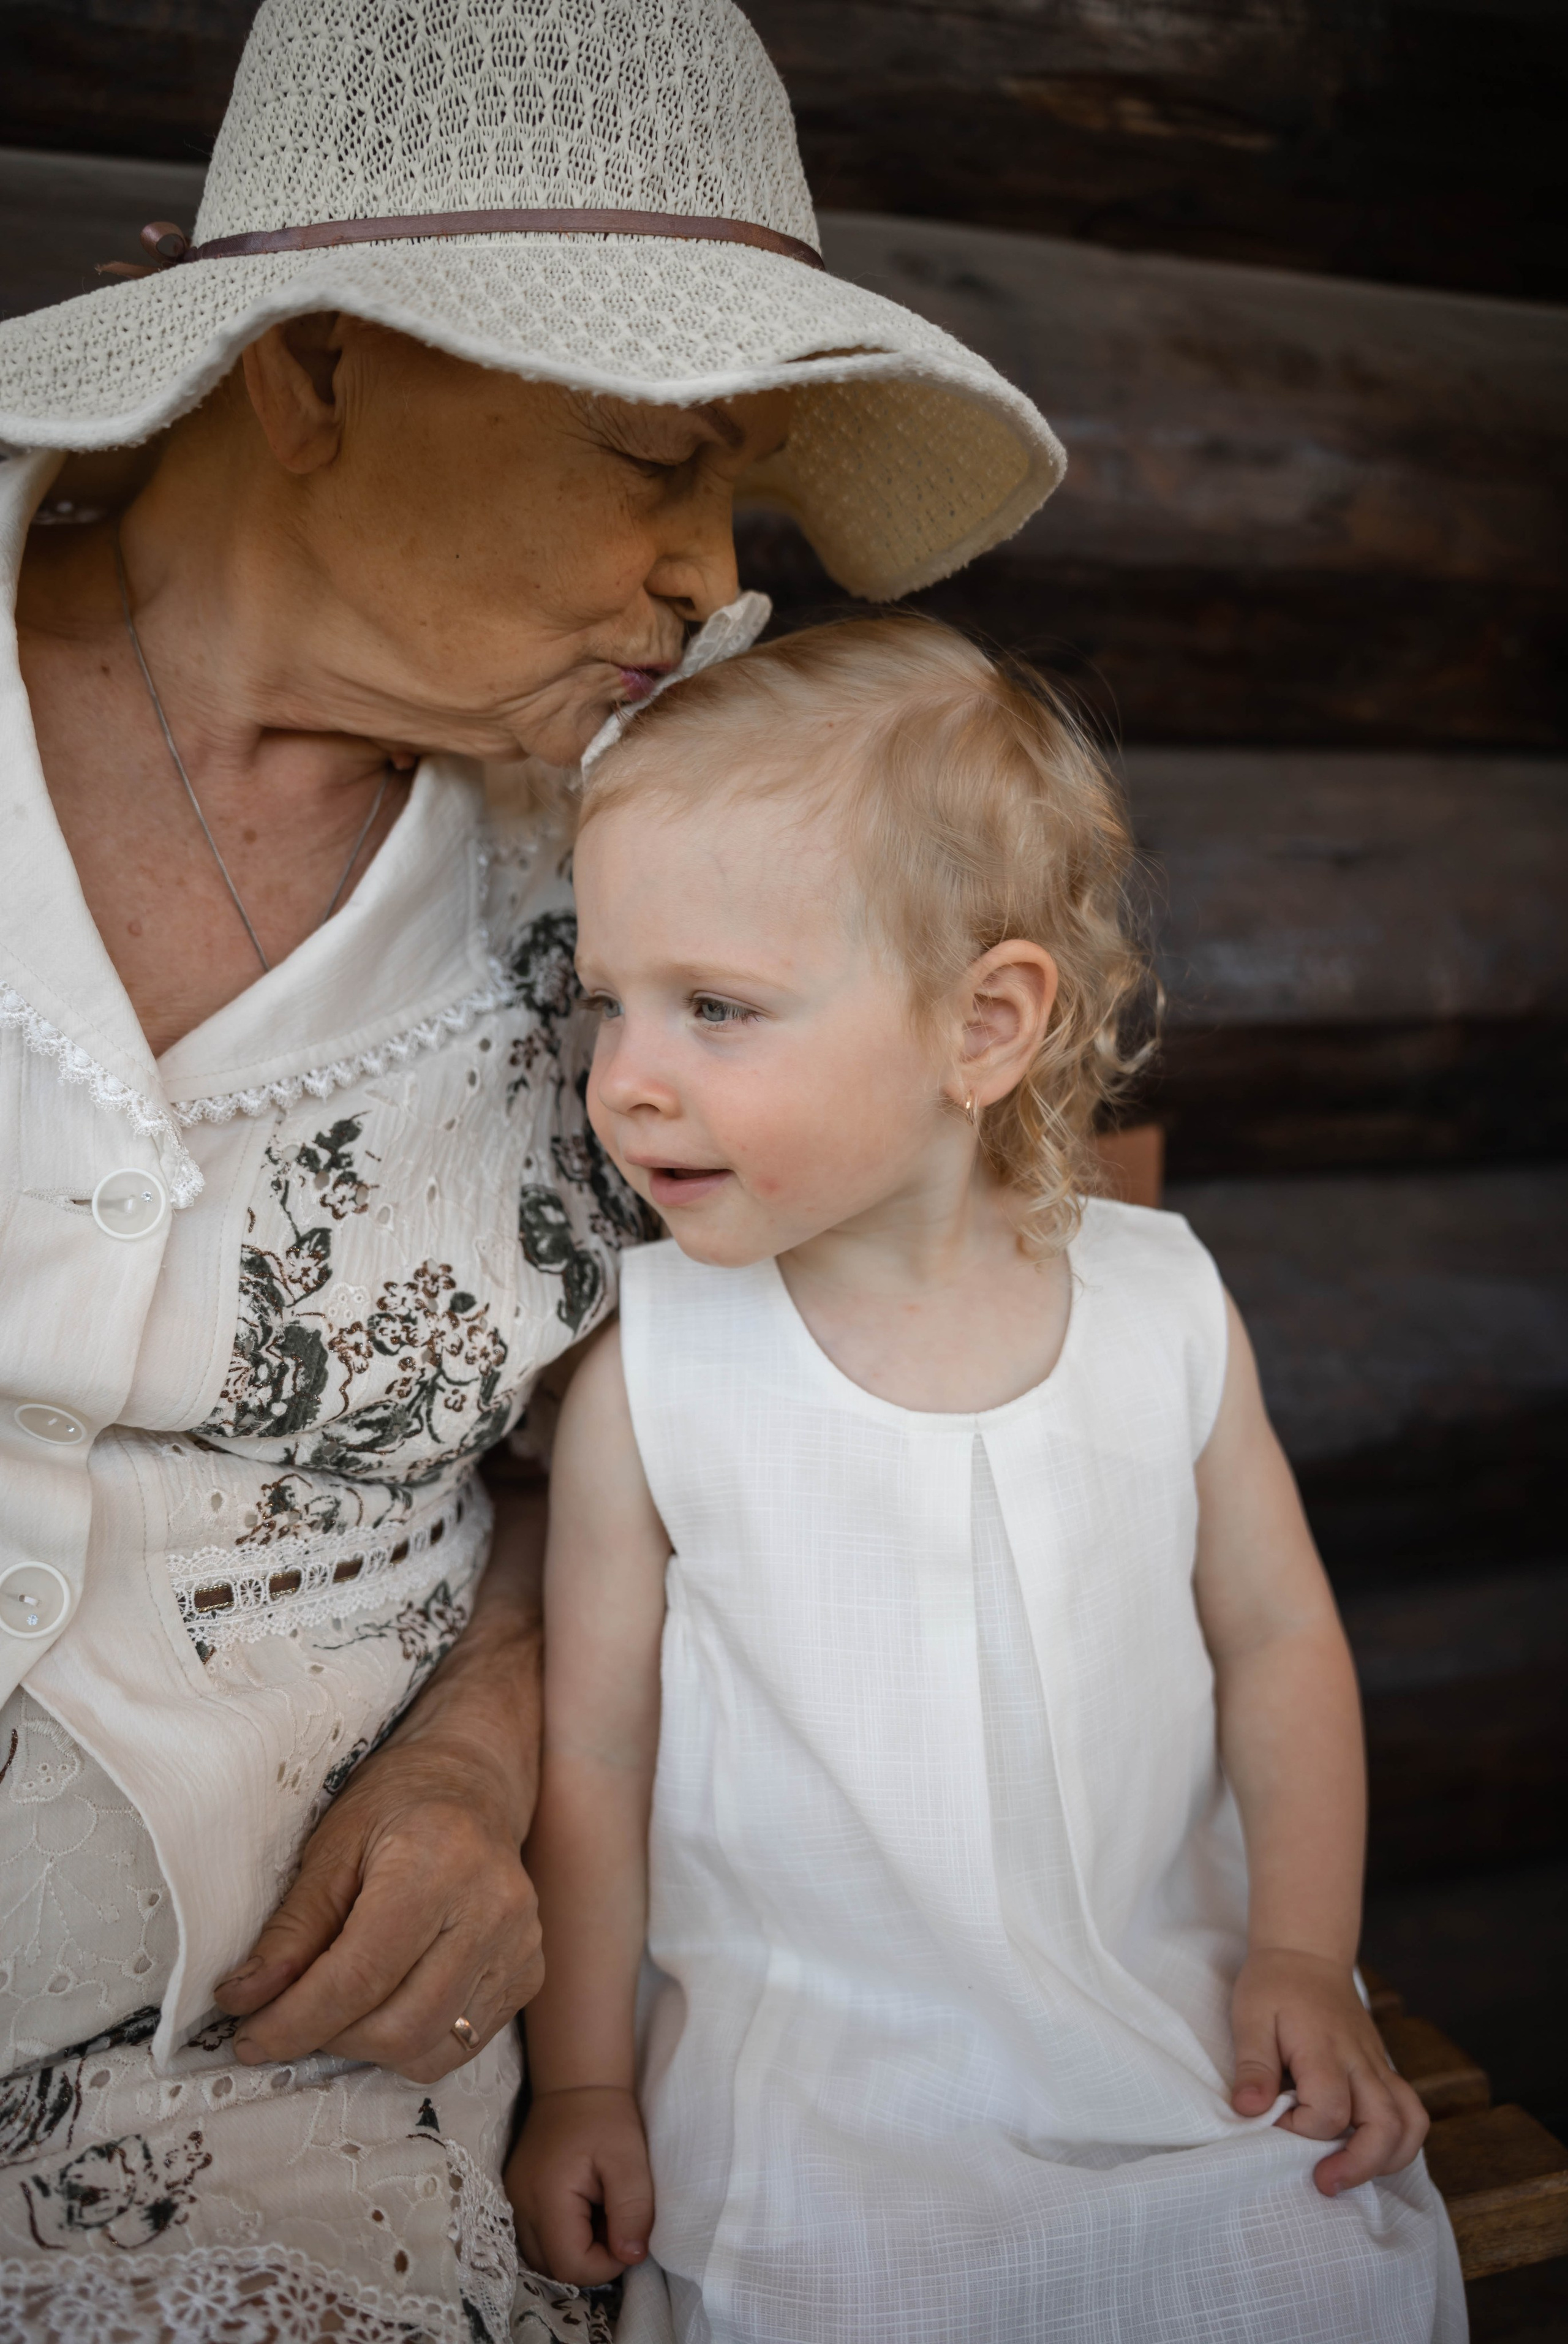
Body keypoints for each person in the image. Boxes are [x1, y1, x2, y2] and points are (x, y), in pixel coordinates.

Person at [0, 1, 1065, 2334]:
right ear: (314, 371)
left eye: (739, 489)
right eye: (653, 454)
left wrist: (491, 1761)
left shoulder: (665, 878)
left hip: (279, 2054)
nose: (709, 570)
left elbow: (697, 1415)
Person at [504, 617, 1467, 2343]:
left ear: (985, 1022)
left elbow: (1276, 1638)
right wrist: (582, 2079)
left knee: (1303, 2257)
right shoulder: (661, 1363)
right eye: (610, 1003)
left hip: (1147, 2008)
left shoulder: (1161, 1302)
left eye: (715, 1005)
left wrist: (1305, 1956)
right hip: (816, 2065)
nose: (627, 1076)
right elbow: (597, 1747)